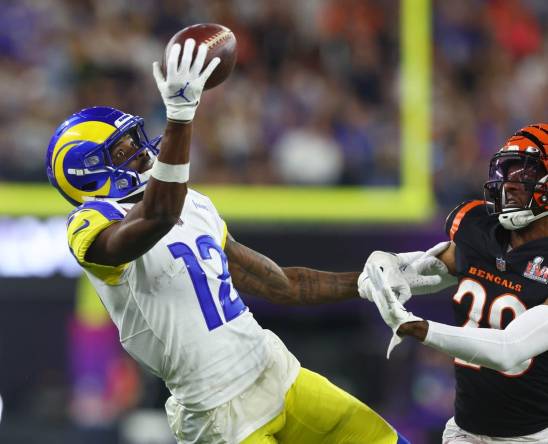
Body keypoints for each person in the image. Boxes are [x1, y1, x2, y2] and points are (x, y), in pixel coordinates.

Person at [45, 39, 410, 444]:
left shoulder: (193, 202)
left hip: (276, 370)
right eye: (122, 149)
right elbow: (157, 218)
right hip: (216, 410)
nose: (140, 150)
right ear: (88, 173)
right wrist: (180, 117)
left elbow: (281, 284)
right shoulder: (89, 225)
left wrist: (365, 283)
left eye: (133, 139)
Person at [360, 123, 548, 443]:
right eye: (507, 172)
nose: (509, 186)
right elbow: (417, 273)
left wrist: (416, 327)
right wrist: (382, 269)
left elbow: (509, 349)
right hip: (464, 430)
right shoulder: (480, 232)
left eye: (524, 176)